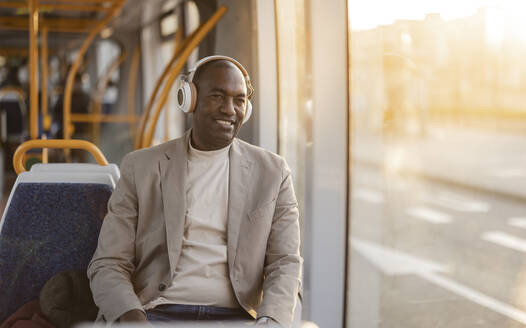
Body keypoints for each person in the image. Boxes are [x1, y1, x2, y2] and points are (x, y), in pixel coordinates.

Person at [87, 56, 302, 327]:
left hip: (238, 317)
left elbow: (285, 263)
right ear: (188, 100)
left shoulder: (273, 172)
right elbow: (108, 263)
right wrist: (133, 318)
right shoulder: (140, 167)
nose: (229, 109)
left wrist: (271, 320)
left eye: (239, 100)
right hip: (153, 312)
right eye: (217, 96)